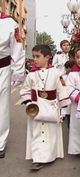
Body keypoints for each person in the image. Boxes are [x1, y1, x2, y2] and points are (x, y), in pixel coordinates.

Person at [19, 45, 70, 170]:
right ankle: (37, 158)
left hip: (51, 106)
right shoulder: (31, 75)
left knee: (50, 133)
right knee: (36, 132)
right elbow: (25, 90)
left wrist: (63, 111)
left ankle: (49, 156)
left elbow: (62, 91)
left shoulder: (57, 73)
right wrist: (28, 103)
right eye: (34, 56)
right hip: (36, 107)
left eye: (38, 56)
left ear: (47, 57)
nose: (35, 59)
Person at [0, 10, 25, 158]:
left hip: (2, 69)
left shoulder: (9, 23)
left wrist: (18, 72)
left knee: (2, 106)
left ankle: (0, 143)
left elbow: (17, 48)